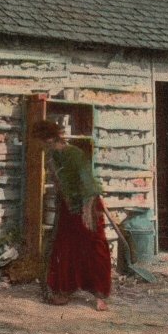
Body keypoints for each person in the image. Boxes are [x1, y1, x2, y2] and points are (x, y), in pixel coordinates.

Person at [31, 120, 111, 311]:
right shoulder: (52, 155)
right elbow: (59, 183)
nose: (41, 146)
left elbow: (88, 185)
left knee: (94, 247)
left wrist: (87, 211)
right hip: (68, 207)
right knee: (65, 248)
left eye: (42, 141)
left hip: (87, 205)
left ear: (50, 138)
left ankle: (100, 295)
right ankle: (64, 289)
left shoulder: (74, 154)